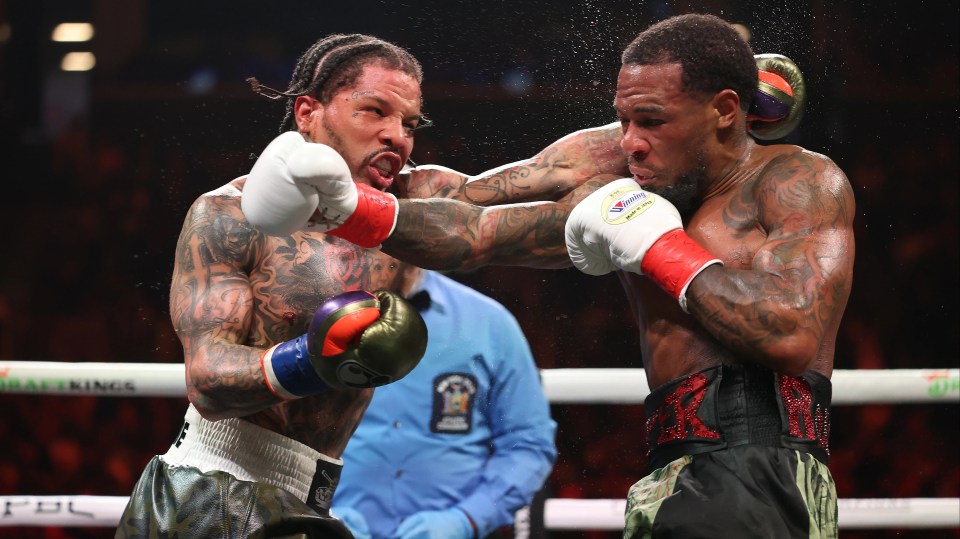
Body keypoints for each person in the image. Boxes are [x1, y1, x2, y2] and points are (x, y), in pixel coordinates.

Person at [242, 13, 853, 539]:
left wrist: (660, 247)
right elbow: (477, 222)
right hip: (672, 467)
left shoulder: (794, 180)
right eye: (623, 122)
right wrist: (345, 204)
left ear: (724, 110)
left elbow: (791, 333)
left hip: (765, 464)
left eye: (652, 122)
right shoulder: (628, 178)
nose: (630, 143)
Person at [115, 34, 438, 539]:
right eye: (374, 111)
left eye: (409, 124)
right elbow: (207, 380)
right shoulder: (229, 214)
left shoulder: (404, 215)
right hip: (215, 492)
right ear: (308, 113)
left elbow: (532, 191)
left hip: (304, 497)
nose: (397, 136)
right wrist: (316, 360)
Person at [330, 266, 557, 539]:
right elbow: (280, 427)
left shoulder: (489, 322)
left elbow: (528, 443)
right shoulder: (320, 317)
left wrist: (468, 519)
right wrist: (318, 508)